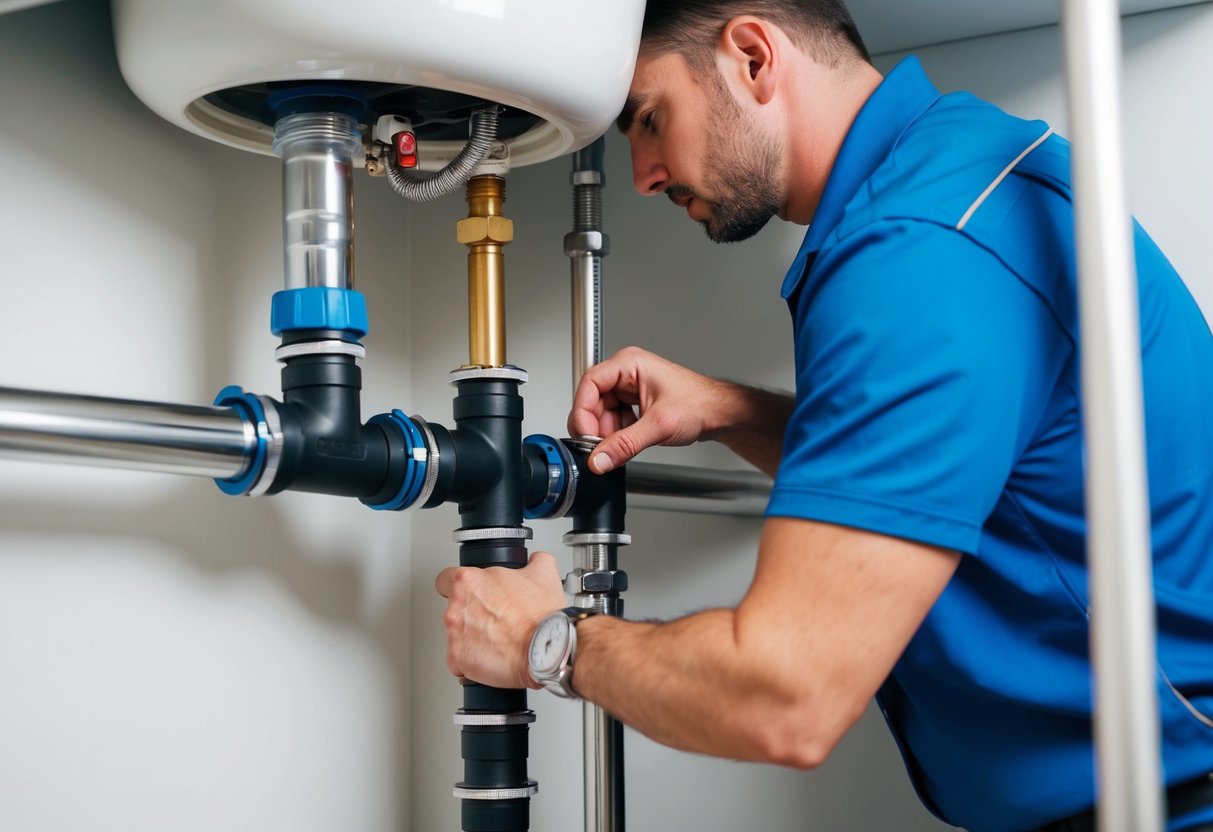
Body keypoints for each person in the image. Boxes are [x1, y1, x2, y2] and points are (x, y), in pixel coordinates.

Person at [435, 1, 1213, 830]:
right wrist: (733, 412)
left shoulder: (914, 251)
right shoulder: (956, 175)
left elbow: (782, 695)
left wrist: (544, 640)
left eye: (649, 118)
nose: (644, 175)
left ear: (753, 57)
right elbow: (979, 475)